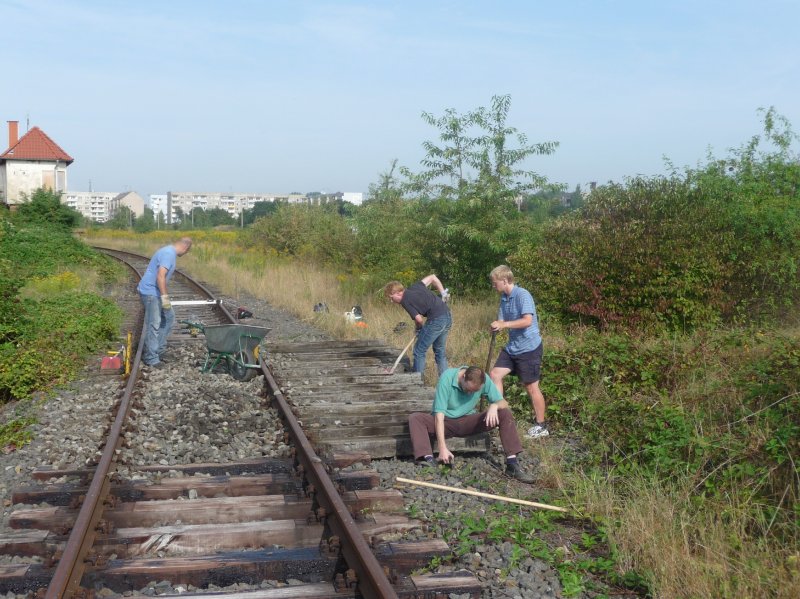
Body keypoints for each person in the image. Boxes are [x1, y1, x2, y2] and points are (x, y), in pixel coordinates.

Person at [408, 366, 535, 482]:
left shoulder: (482, 379)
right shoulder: (447, 378)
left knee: (504, 413)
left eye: (474, 391)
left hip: (469, 420)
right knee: (415, 418)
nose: (470, 393)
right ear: (463, 377)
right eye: (468, 389)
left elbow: (503, 402)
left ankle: (512, 464)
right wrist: (442, 447)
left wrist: (494, 405)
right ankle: (427, 459)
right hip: (446, 422)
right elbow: (439, 416)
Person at [488, 265, 549, 438]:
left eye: (495, 283)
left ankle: (541, 426)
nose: (494, 286)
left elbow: (527, 321)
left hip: (529, 348)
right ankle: (500, 414)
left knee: (531, 386)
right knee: (495, 374)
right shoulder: (504, 298)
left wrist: (505, 325)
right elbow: (501, 320)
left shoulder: (523, 295)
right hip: (513, 347)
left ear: (505, 280)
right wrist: (496, 325)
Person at [137, 237, 193, 368]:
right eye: (186, 252)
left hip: (154, 292)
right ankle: (151, 358)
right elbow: (160, 276)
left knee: (168, 318)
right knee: (154, 324)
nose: (184, 254)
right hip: (150, 293)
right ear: (185, 248)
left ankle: (159, 350)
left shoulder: (168, 251)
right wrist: (165, 298)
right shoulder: (169, 254)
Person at [384, 275, 451, 376]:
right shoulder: (416, 286)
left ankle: (417, 381)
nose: (391, 301)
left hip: (436, 320)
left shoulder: (404, 301)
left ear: (397, 293)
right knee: (440, 351)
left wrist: (419, 329)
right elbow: (433, 277)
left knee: (419, 351)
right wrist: (443, 293)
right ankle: (446, 381)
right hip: (447, 316)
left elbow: (419, 319)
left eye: (391, 298)